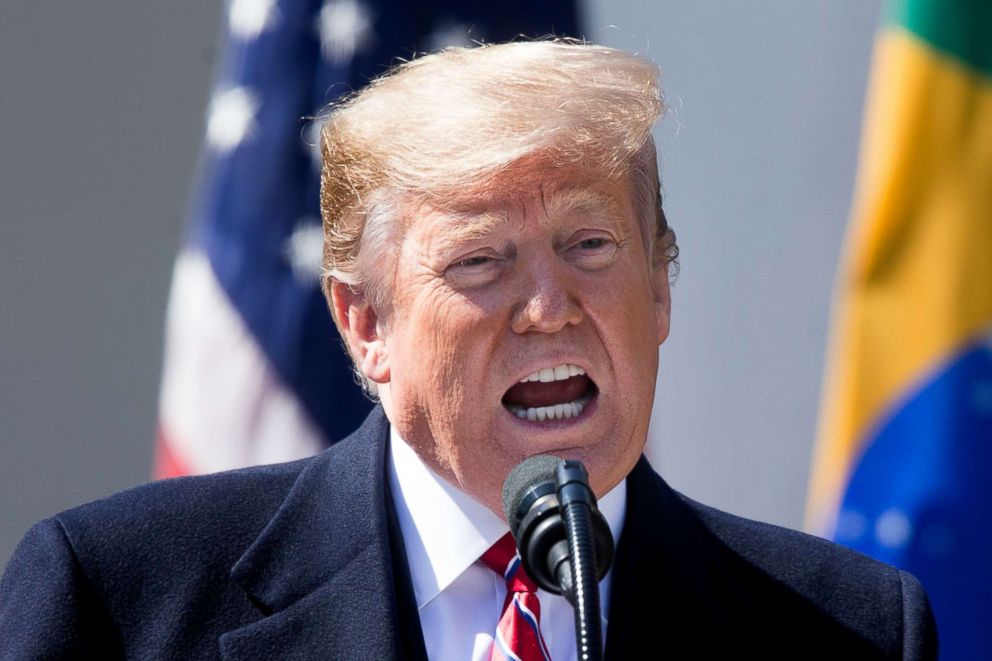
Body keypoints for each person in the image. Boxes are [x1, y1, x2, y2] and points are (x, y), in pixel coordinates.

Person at [0, 41, 936, 659]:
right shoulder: (120, 604)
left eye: (592, 244)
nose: (548, 306)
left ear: (660, 287)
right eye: (481, 260)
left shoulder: (851, 631)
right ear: (366, 323)